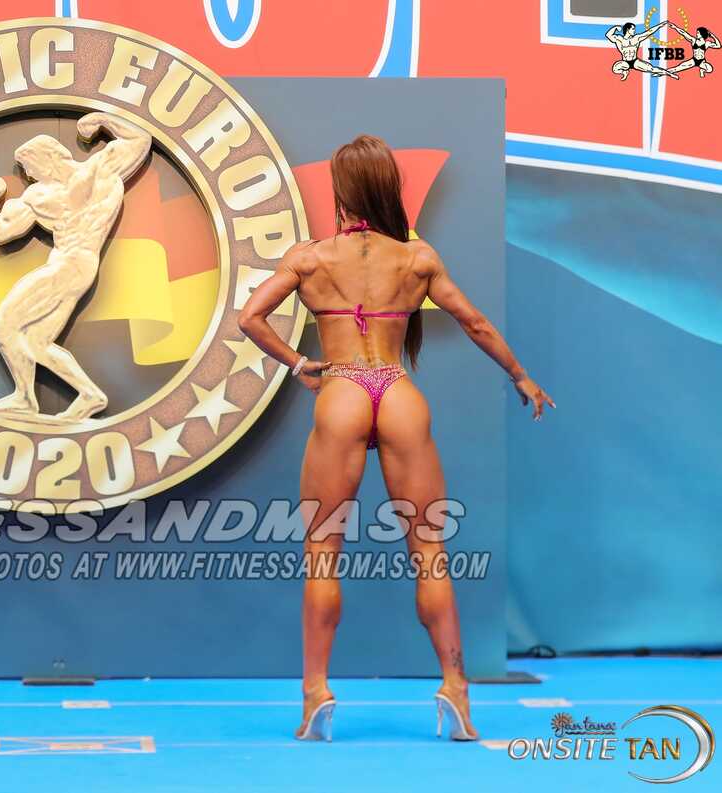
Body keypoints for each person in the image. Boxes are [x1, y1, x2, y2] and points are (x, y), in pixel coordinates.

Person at [238, 135, 554, 743]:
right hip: (396, 389)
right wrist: (520, 375)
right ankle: (456, 690)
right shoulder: (416, 259)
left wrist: (297, 363)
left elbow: (250, 317)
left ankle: (316, 695)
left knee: (322, 552)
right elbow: (474, 322)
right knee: (429, 549)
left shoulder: (310, 259)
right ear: (387, 188)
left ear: (341, 190)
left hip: (343, 391)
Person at [0, 111, 152, 423]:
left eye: (29, 167)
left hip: (70, 265)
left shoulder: (98, 170)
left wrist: (102, 119)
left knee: (4, 325)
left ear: (47, 159)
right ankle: (89, 395)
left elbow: (140, 139)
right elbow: (3, 232)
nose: (28, 175)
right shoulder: (37, 195)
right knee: (37, 342)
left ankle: (24, 398)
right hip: (75, 267)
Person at [606, 21, 679, 80]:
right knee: (615, 69)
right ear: (628, 29)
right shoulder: (619, 39)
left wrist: (661, 25)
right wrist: (615, 27)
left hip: (635, 61)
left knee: (652, 69)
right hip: (625, 62)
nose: (634, 31)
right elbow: (608, 35)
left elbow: (649, 32)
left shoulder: (636, 38)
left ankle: (670, 74)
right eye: (633, 29)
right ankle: (624, 72)